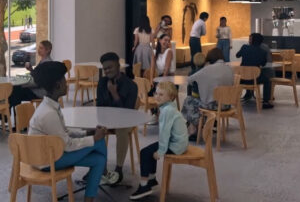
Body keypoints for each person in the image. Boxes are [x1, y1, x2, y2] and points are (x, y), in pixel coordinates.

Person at [29, 61, 118, 200]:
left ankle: (91, 194)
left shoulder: (49, 105)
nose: (66, 83)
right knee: (99, 143)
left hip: (50, 153)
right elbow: (68, 145)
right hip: (47, 161)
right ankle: (104, 173)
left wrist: (86, 133)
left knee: (99, 159)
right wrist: (94, 138)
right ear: (58, 84)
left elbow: (63, 132)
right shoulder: (49, 114)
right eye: (64, 80)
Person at [129, 81, 187, 200]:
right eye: (156, 93)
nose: (157, 97)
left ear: (171, 97)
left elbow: (165, 134)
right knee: (149, 151)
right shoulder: (170, 106)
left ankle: (144, 186)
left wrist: (160, 152)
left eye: (161, 95)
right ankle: (152, 180)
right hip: (178, 142)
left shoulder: (167, 111)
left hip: (175, 145)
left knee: (145, 153)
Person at [96, 52, 137, 184]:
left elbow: (127, 113)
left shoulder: (131, 85)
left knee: (122, 130)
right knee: (92, 129)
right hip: (106, 119)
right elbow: (100, 107)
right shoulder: (102, 82)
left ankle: (118, 169)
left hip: (125, 121)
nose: (107, 71)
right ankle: (99, 167)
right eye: (105, 69)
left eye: (110, 67)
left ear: (118, 66)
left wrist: (114, 94)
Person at [181, 48, 233, 139]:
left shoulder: (207, 69)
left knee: (189, 100)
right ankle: (211, 122)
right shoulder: (229, 68)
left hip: (214, 106)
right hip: (227, 104)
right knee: (202, 101)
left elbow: (189, 80)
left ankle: (194, 129)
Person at [10, 40, 53, 108]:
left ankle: (10, 113)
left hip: (40, 92)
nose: (38, 50)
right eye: (39, 47)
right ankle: (10, 112)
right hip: (38, 88)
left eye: (41, 48)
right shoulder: (43, 61)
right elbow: (37, 76)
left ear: (47, 50)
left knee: (16, 90)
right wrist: (30, 69)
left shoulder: (47, 64)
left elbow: (38, 82)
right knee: (15, 90)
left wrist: (24, 84)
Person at [235, 33, 274, 108]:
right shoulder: (263, 52)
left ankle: (239, 98)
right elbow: (263, 64)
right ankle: (266, 102)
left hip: (241, 79)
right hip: (255, 79)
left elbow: (237, 55)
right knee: (267, 80)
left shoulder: (244, 47)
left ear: (251, 40)